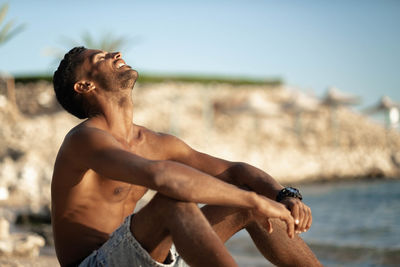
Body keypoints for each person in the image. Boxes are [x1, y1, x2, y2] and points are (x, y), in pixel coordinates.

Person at [51, 46, 321, 267]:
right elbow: (161, 176)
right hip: (94, 263)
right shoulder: (84, 140)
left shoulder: (155, 142)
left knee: (245, 198)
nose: (116, 54)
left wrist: (284, 195)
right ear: (85, 85)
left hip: (150, 257)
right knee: (171, 203)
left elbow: (235, 171)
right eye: (101, 58)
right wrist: (257, 201)